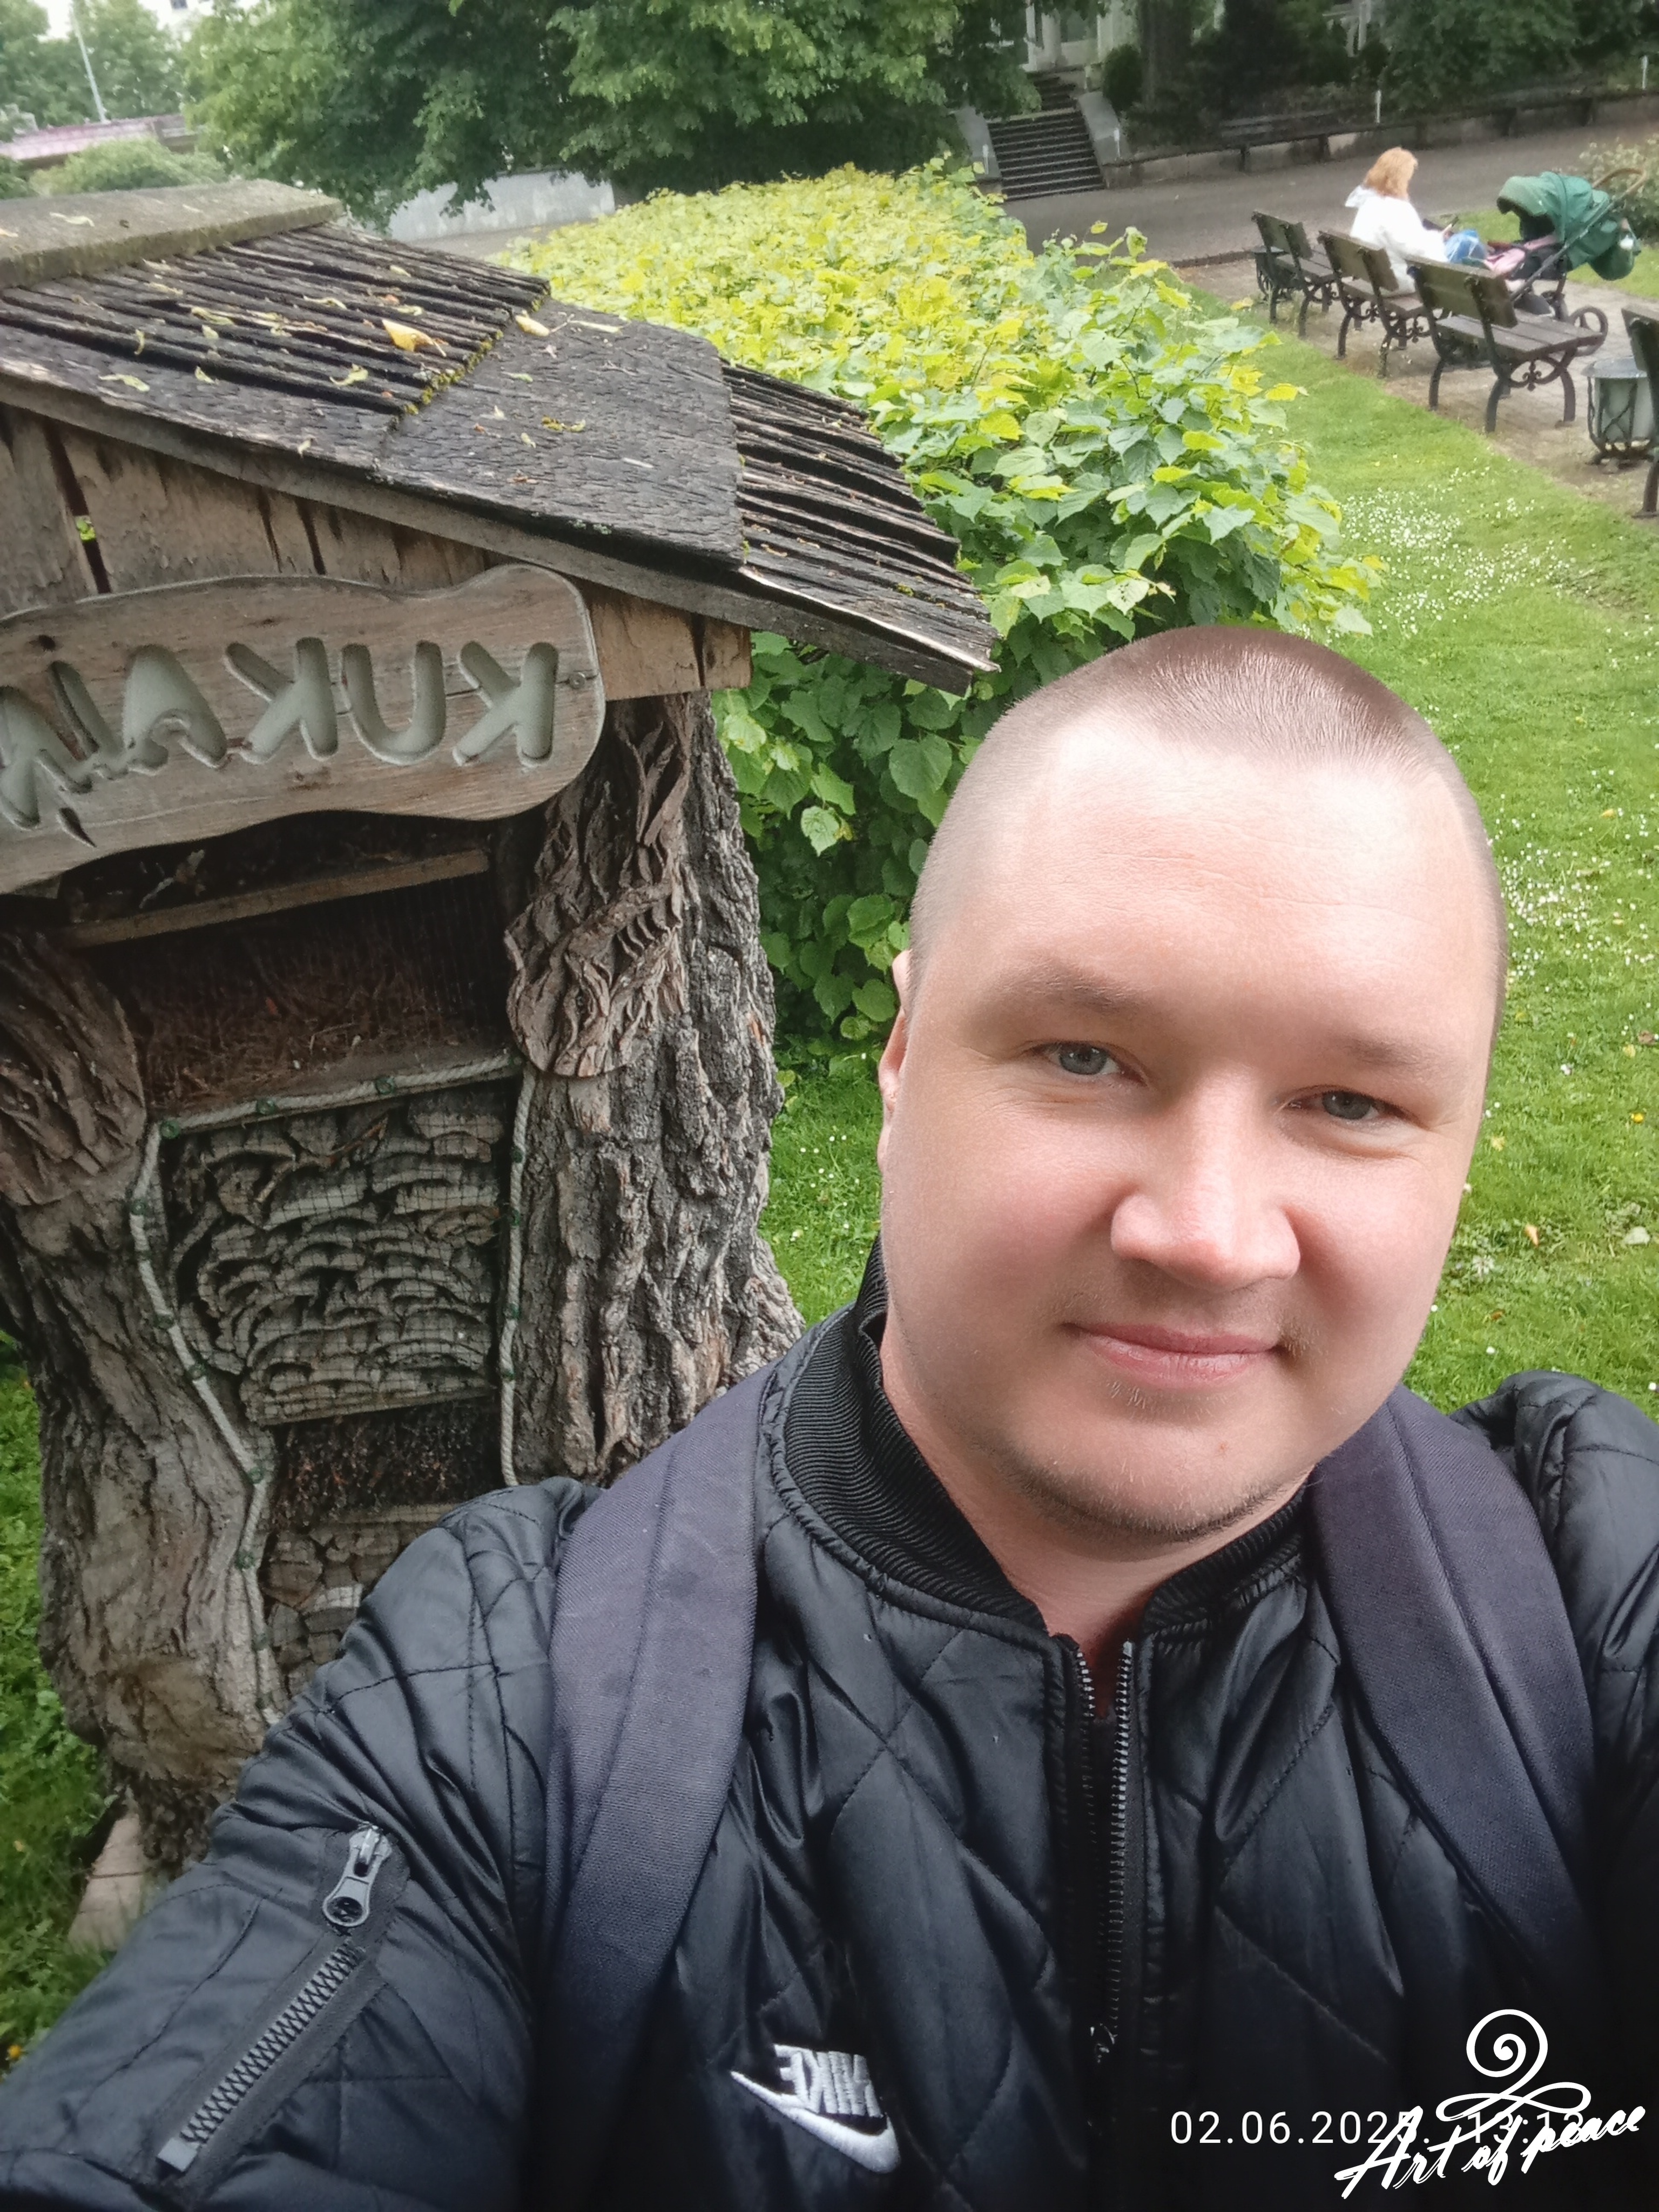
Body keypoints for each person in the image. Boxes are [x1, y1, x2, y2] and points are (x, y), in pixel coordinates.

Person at [3, 629, 1657, 2211]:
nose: (1208, 1235)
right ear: (902, 1053)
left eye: (1351, 1101)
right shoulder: (519, 1704)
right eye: (1086, 1056)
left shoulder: (1591, 1600)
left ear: (1460, 1146)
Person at [1344, 146, 1451, 287]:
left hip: (1369, 277)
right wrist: (1438, 240)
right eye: (1407, 179)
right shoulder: (1396, 209)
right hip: (1395, 281)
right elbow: (1414, 250)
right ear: (1400, 179)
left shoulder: (1368, 202)